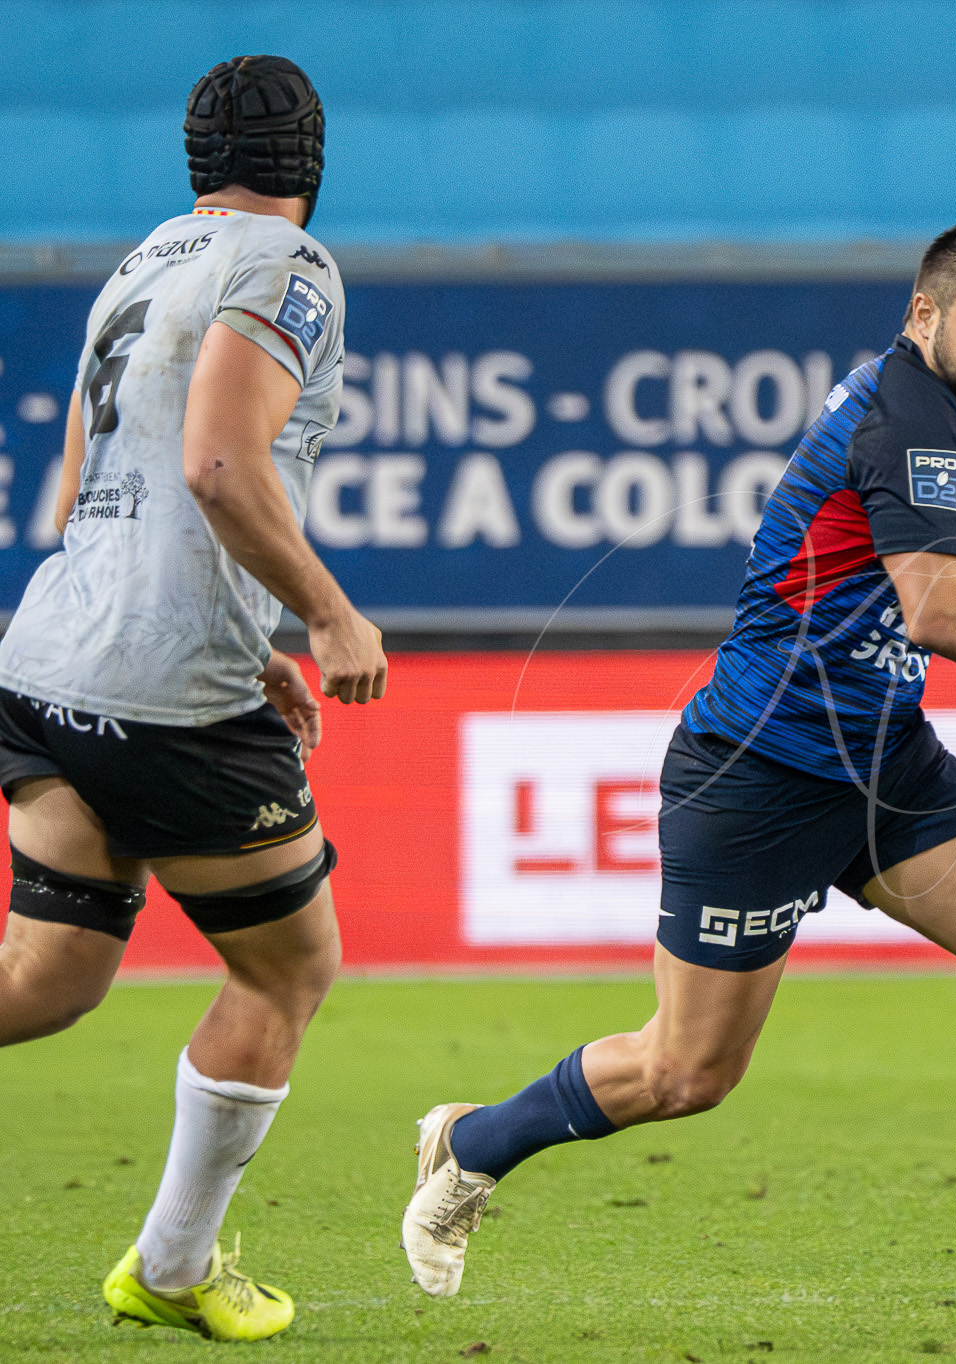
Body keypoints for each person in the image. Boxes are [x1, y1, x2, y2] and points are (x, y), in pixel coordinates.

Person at [402, 221, 956, 1295]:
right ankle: (472, 1143)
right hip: (759, 772)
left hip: (887, 763)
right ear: (920, 314)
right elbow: (932, 610)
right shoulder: (904, 418)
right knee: (684, 1071)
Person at [0, 56, 387, 1340]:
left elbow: (74, 497)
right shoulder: (293, 267)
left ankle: (172, 1262)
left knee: (46, 976)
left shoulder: (142, 262)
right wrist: (324, 614)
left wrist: (238, 624)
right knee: (287, 970)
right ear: (313, 163)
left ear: (193, 158)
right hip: (164, 695)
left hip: (47, 660)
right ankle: (172, 1265)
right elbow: (219, 462)